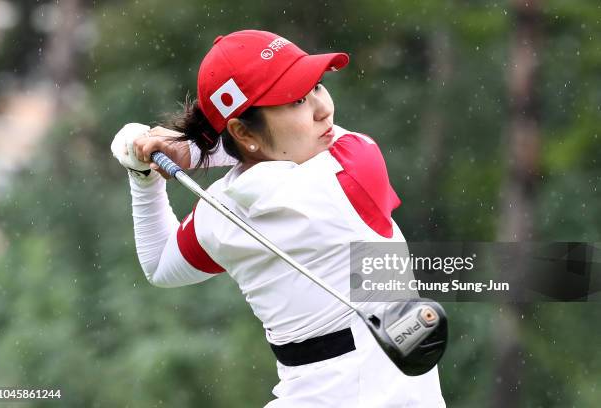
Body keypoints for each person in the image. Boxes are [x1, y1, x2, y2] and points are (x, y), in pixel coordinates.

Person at [111, 29, 445, 407]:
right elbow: (326, 141)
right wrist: (193, 149)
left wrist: (144, 178)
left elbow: (159, 265)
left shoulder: (218, 212)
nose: (324, 109)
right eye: (298, 99)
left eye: (318, 85)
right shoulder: (352, 173)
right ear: (241, 130)